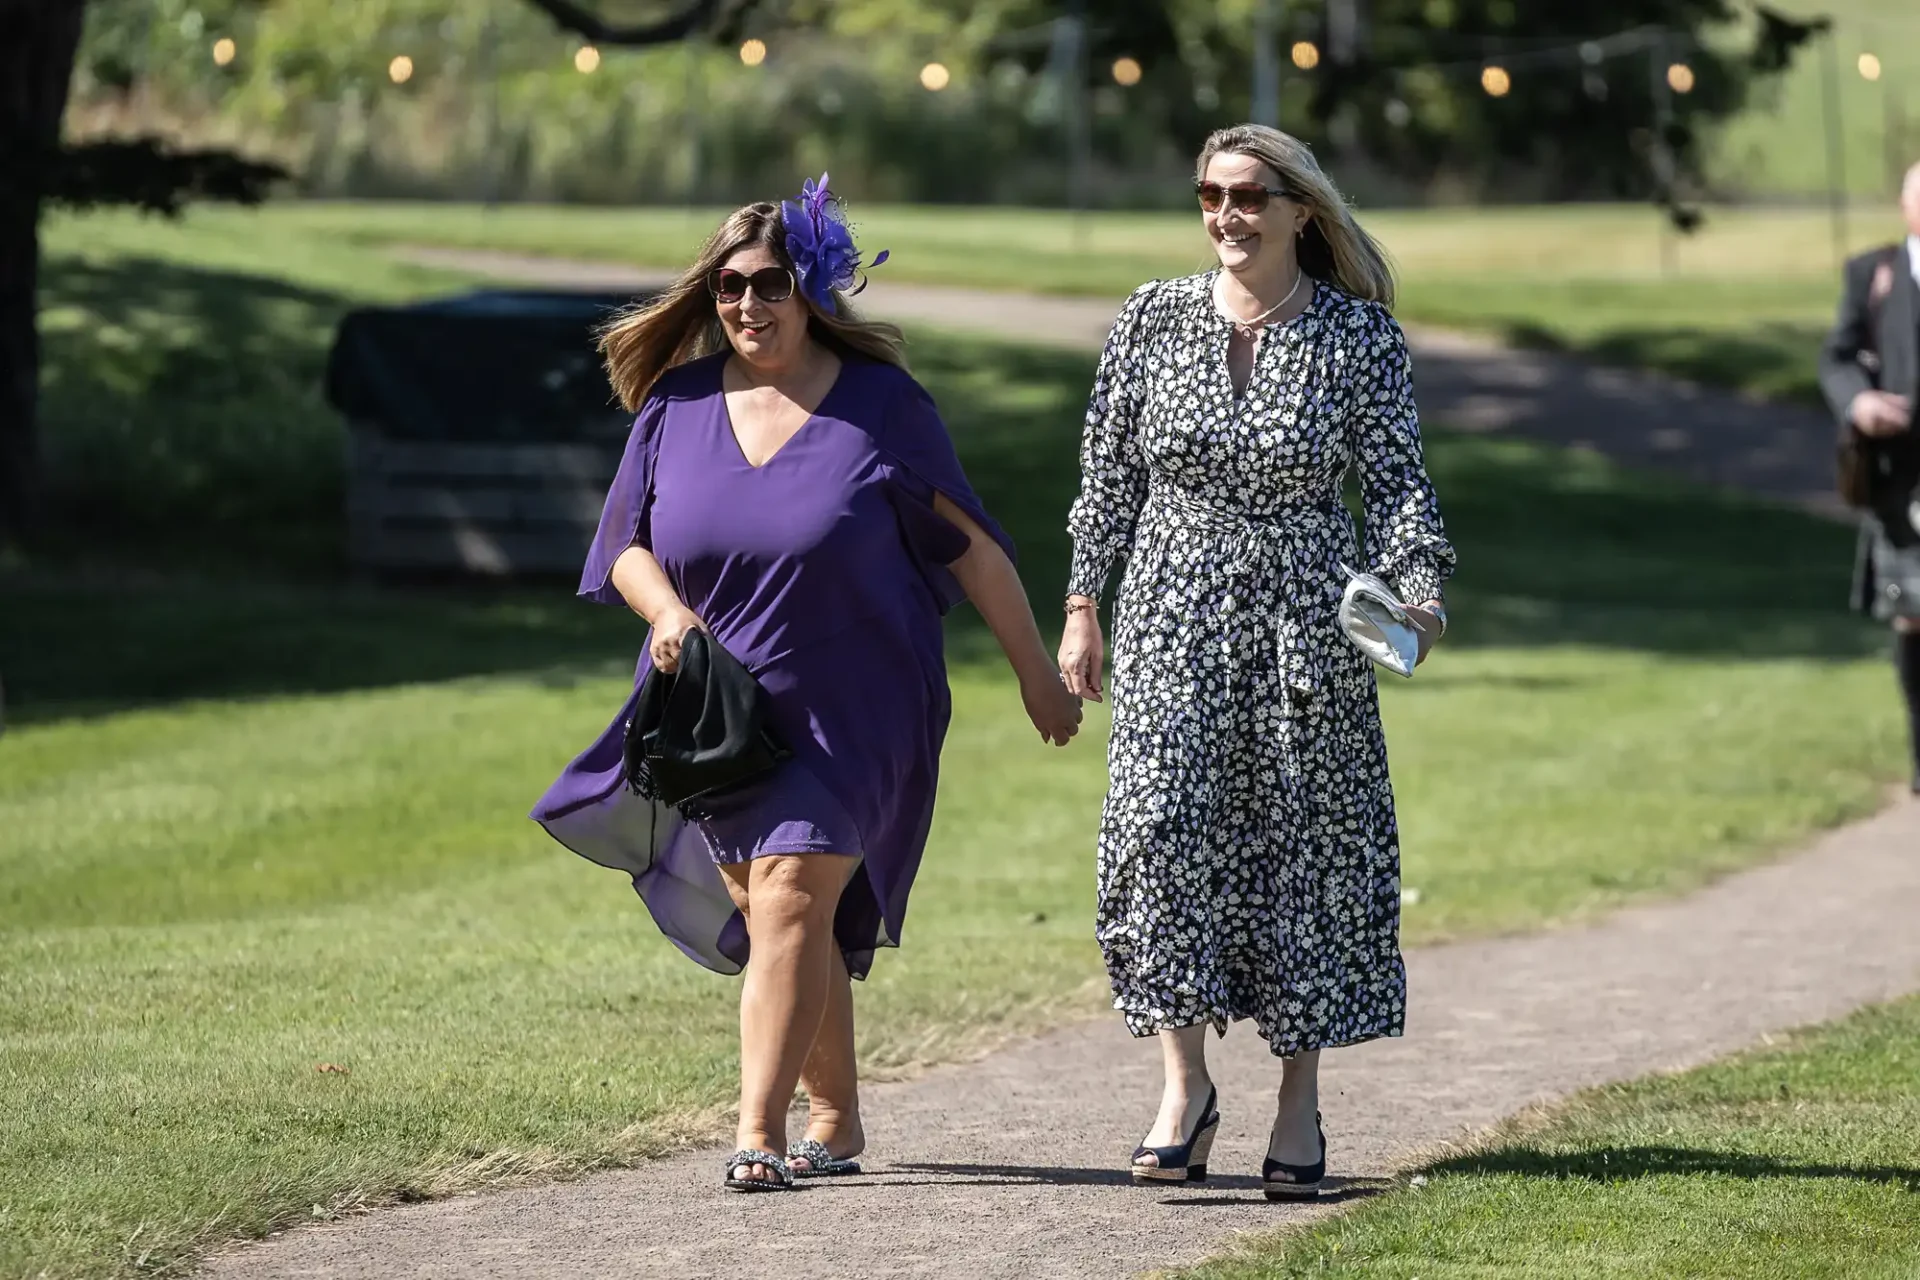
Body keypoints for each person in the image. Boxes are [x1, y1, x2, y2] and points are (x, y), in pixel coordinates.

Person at [532, 180, 1082, 1193]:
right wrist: (667, 614)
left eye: (770, 284)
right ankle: (837, 1113)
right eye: (729, 288)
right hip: (724, 703)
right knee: (784, 904)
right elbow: (624, 548)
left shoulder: (885, 408)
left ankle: (756, 1130)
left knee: (788, 891)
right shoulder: (678, 406)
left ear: (813, 290)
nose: (748, 306)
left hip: (863, 697)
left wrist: (1036, 674)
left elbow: (975, 553)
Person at [1056, 124, 1455, 1198]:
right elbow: (1106, 481)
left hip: (1304, 624)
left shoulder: (1358, 342)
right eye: (1209, 195)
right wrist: (1083, 608)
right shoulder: (1150, 318)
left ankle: (1298, 1099)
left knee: (1300, 850)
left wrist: (1419, 586)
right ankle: (1182, 1087)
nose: (1225, 214)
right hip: (1170, 611)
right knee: (1159, 833)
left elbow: (1401, 488)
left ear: (1298, 211)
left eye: (1246, 195)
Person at [1820, 159, 1920, 795]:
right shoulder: (1874, 274)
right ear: (1908, 208)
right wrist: (1860, 403)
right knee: (1913, 617)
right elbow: (1835, 358)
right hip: (1901, 478)